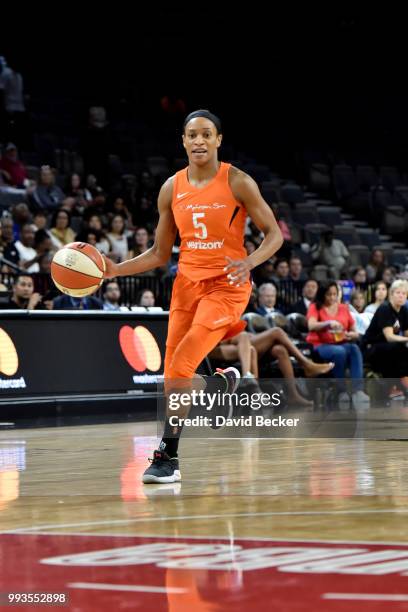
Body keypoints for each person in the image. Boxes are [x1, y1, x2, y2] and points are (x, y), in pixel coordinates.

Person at [103, 109, 284, 484]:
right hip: (186, 286)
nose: (198, 141)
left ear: (218, 140)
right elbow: (158, 252)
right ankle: (220, 385)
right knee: (173, 375)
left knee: (184, 363)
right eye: (191, 135)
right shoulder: (171, 187)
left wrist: (249, 262)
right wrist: (116, 269)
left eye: (206, 135)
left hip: (226, 286)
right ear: (183, 141)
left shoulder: (239, 181)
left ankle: (167, 456)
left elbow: (274, 235)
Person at [210, 327, 334, 407]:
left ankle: (293, 395)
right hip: (216, 347)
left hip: (238, 343)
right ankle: (306, 364)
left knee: (279, 349)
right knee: (276, 332)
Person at [307, 281, 369, 405]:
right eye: (329, 294)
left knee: (354, 349)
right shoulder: (315, 307)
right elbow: (311, 325)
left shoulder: (343, 308)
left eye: (335, 294)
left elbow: (354, 332)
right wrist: (328, 323)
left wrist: (351, 335)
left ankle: (358, 390)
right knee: (339, 352)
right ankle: (341, 391)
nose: (332, 297)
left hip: (341, 342)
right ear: (322, 294)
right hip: (321, 345)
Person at [362, 280, 408, 382]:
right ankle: (394, 386)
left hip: (387, 346)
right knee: (397, 348)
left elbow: (406, 334)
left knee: (401, 349)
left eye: (404, 293)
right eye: (398, 293)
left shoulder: (404, 310)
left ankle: (401, 384)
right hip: (371, 346)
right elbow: (390, 337)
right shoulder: (385, 309)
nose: (401, 296)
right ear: (391, 294)